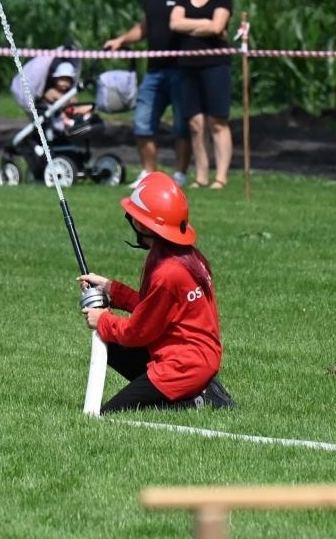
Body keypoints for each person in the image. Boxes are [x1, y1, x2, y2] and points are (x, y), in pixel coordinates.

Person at [78, 173, 233, 410]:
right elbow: (154, 308)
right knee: (114, 347)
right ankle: (200, 388)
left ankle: (199, 398)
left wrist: (103, 320)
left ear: (143, 224)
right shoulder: (183, 257)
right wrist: (111, 288)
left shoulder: (167, 272)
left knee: (113, 412)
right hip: (195, 357)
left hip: (183, 365)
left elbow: (137, 332)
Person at [104, 0, 191, 185]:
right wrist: (121, 40)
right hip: (154, 71)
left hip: (181, 70)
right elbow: (144, 28)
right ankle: (149, 175)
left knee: (182, 125)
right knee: (142, 122)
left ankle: (180, 176)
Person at [169, 0, 235, 190]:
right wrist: (204, 25)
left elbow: (218, 26)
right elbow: (174, 23)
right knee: (195, 124)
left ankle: (221, 177)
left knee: (217, 121)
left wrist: (199, 26)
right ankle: (201, 176)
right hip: (188, 65)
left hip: (215, 64)